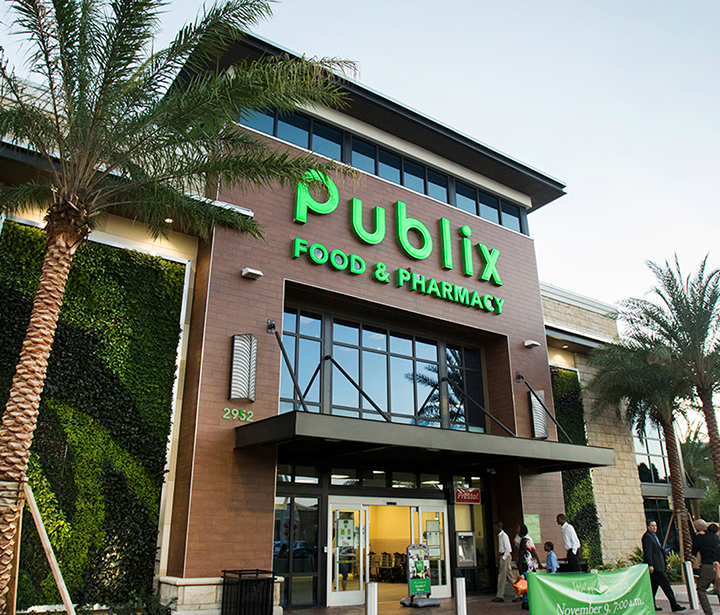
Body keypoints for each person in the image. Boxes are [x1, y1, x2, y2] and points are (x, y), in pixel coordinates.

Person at [642, 519, 686, 612]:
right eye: (652, 526)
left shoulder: (654, 537)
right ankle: (674, 606)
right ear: (648, 527)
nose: (655, 527)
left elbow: (660, 552)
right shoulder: (648, 537)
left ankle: (651, 605)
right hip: (656, 567)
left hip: (660, 565)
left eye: (656, 526)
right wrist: (650, 565)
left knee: (653, 588)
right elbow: (648, 552)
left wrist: (666, 563)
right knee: (666, 586)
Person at [693, 519, 720, 615]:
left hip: (707, 566)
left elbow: (694, 551)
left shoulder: (699, 538)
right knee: (718, 588)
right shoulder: (716, 537)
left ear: (698, 528)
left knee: (701, 589)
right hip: (718, 566)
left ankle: (708, 612)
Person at [492, 521, 516, 603]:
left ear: (498, 527)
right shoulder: (500, 536)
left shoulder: (504, 536)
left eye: (495, 527)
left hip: (505, 556)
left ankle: (500, 595)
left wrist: (504, 558)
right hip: (503, 556)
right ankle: (518, 593)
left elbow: (508, 549)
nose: (494, 529)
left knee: (502, 576)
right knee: (509, 576)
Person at [517, 531, 538, 611]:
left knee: (530, 587)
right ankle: (525, 602)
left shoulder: (529, 552)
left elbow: (531, 562)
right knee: (526, 588)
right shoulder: (522, 553)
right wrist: (521, 573)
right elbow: (520, 563)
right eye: (528, 543)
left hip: (530, 571)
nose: (529, 544)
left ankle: (529, 601)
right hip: (525, 572)